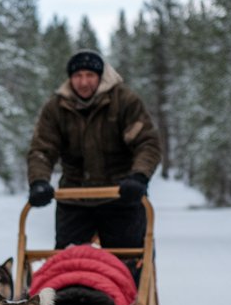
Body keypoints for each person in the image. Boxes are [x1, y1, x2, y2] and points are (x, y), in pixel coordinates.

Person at [26, 49, 161, 251]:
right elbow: (42, 150)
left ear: (100, 76)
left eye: (90, 75)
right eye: (78, 76)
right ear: (70, 78)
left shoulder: (124, 101)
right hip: (74, 197)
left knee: (129, 263)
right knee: (68, 265)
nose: (83, 82)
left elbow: (146, 143)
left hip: (120, 196)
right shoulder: (56, 107)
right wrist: (38, 182)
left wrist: (139, 177)